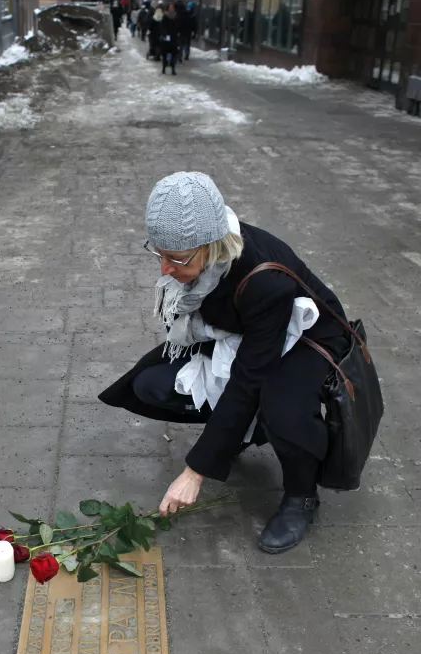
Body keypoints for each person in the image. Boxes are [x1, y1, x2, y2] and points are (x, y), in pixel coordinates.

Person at [99, 172, 351, 554]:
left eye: (176, 258)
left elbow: (250, 377)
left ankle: (301, 495)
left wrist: (195, 471)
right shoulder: (203, 257)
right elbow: (206, 328)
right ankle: (246, 432)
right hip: (242, 333)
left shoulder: (264, 280)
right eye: (158, 253)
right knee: (150, 385)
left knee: (281, 407)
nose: (164, 269)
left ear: (212, 245)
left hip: (307, 336)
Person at [160, 3, 179, 75]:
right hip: (167, 37)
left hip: (174, 37)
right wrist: (164, 35)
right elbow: (162, 26)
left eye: (172, 7)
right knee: (166, 53)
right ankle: (164, 67)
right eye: (170, 7)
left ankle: (173, 68)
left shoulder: (176, 16)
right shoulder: (165, 16)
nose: (171, 9)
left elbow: (178, 26)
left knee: (173, 54)